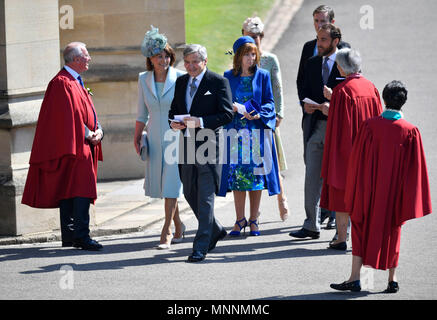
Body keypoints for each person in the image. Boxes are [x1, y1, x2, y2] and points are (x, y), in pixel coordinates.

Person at [330, 80, 432, 293]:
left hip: (368, 191)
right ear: (403, 102)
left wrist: (354, 189)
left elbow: (356, 161)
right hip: (394, 195)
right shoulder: (411, 131)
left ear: (384, 100)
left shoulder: (369, 126)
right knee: (393, 231)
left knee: (359, 228)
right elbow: (415, 170)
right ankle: (392, 280)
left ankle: (355, 278)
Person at [21, 42, 104, 251]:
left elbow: (87, 113)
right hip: (75, 146)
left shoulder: (75, 80)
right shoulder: (61, 83)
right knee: (80, 190)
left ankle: (71, 236)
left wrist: (99, 130)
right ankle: (81, 236)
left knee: (73, 190)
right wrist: (89, 134)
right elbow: (67, 118)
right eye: (86, 56)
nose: (89, 59)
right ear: (76, 60)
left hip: (83, 144)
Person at [168, 44, 234, 262]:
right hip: (186, 144)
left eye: (195, 62)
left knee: (205, 196)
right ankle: (214, 228)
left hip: (209, 145)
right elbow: (174, 111)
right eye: (187, 62)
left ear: (204, 62)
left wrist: (201, 122)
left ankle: (201, 245)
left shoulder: (217, 82)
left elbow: (226, 115)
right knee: (189, 191)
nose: (190, 66)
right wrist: (174, 123)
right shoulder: (180, 82)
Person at [320, 48, 383, 251]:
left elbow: (338, 128)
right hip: (369, 151)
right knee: (365, 194)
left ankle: (341, 238)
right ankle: (363, 237)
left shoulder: (342, 91)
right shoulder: (371, 87)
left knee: (342, 195)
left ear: (342, 67)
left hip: (347, 152)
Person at [218, 36, 280, 237]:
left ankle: (254, 221)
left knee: (255, 179)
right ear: (238, 56)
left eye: (253, 54)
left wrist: (259, 113)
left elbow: (270, 102)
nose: (251, 58)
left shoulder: (262, 76)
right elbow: (222, 103)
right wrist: (233, 107)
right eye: (247, 54)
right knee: (238, 180)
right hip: (236, 135)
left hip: (256, 134)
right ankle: (239, 220)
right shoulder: (228, 76)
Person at [296, 5, 350, 229]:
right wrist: (305, 104)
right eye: (315, 21)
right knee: (313, 171)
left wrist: (334, 101)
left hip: (338, 125)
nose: (318, 26)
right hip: (314, 123)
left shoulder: (346, 54)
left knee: (337, 172)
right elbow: (302, 82)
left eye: (322, 22)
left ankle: (337, 218)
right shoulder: (310, 53)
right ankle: (312, 222)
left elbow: (353, 87)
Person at [134, 26, 186, 250]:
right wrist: (137, 137)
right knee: (161, 184)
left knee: (172, 183)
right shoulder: (142, 79)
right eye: (158, 56)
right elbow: (140, 113)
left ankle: (166, 231)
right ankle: (179, 223)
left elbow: (188, 106)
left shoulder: (181, 77)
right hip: (154, 135)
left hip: (176, 135)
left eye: (166, 55)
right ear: (150, 58)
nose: (163, 59)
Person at [242, 16, 289, 221]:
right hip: (245, 120)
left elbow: (277, 88)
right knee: (252, 164)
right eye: (249, 37)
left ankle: (282, 198)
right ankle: (254, 212)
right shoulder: (237, 57)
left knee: (272, 161)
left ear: (262, 37)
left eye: (256, 37)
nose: (253, 40)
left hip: (266, 118)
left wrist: (278, 113)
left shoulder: (269, 60)